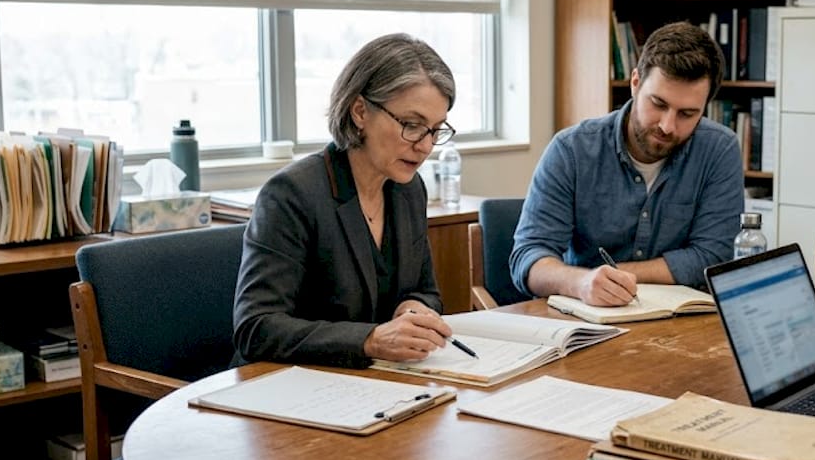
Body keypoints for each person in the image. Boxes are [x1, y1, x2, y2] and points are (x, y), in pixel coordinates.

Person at [234, 33, 459, 366]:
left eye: (435, 130)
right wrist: (369, 340)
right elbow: (256, 328)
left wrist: (412, 310)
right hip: (286, 390)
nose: (425, 146)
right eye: (412, 125)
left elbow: (425, 291)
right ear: (359, 111)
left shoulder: (408, 189)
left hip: (374, 384)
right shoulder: (292, 194)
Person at [510, 21, 744, 306]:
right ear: (635, 82)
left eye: (687, 113)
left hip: (680, 322)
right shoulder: (571, 150)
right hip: (589, 317)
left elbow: (713, 256)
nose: (668, 126)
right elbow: (528, 258)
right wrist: (582, 282)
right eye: (658, 103)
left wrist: (617, 275)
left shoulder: (719, 150)